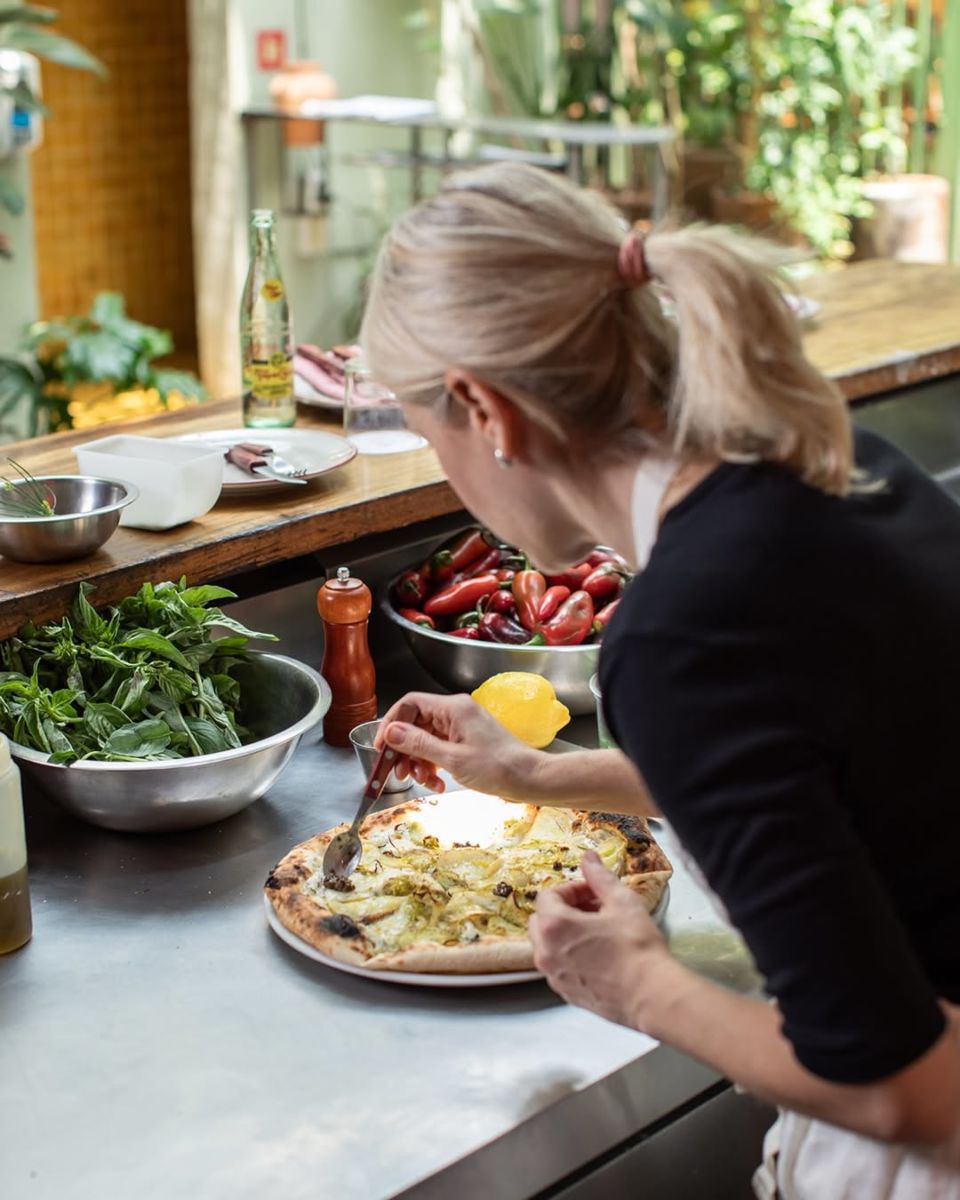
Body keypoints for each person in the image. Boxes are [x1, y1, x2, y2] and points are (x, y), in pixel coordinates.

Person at [362, 161, 960, 1198]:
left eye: (431, 439)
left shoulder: (680, 636)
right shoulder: (839, 462)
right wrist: (543, 777)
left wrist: (636, 985)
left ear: (485, 410)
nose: (446, 474)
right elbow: (839, 763)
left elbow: (906, 1084)